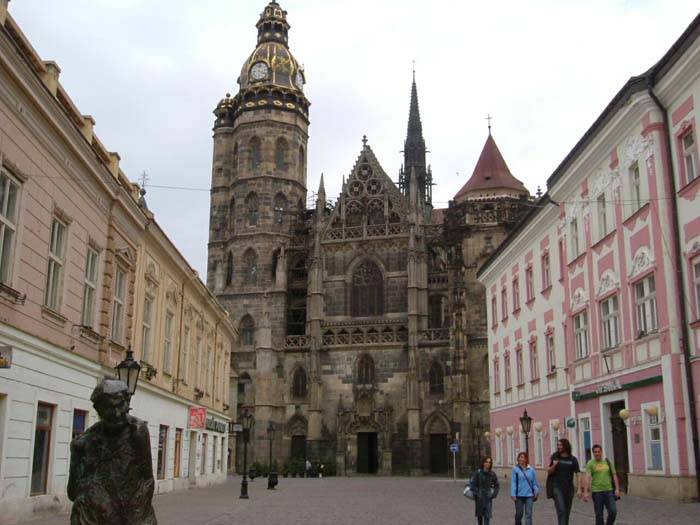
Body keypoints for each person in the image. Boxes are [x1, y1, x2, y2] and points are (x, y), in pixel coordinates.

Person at [68, 379, 157, 524]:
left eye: (120, 405)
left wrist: (133, 515)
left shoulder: (137, 431)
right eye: (109, 408)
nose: (116, 413)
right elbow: (73, 493)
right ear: (98, 410)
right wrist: (75, 458)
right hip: (99, 512)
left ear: (127, 403)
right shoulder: (90, 438)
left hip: (134, 512)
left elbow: (147, 479)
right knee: (83, 503)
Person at [547, 438, 583, 524]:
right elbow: (549, 471)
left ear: (566, 446)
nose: (558, 447)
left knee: (566, 512)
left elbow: (578, 474)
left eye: (560, 445)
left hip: (569, 488)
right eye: (558, 445)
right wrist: (554, 465)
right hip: (557, 487)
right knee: (561, 510)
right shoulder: (555, 457)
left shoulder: (573, 459)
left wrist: (579, 489)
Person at [584, 444, 620, 525]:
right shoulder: (590, 463)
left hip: (609, 491)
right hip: (597, 492)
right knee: (599, 514)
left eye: (598, 452)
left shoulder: (608, 462)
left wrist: (617, 489)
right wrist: (586, 492)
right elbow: (587, 477)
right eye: (595, 452)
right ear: (593, 453)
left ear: (601, 452)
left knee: (613, 511)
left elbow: (614, 475)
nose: (597, 453)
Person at [468, 456, 500, 525]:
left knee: (487, 516)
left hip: (488, 498)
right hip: (479, 497)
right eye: (486, 462)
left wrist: (494, 494)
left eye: (489, 462)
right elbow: (472, 485)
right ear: (483, 463)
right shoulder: (478, 472)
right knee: (480, 516)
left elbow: (497, 485)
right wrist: (477, 493)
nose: (488, 463)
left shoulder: (492, 474)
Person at [511, 451, 540, 525]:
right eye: (519, 457)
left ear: (526, 459)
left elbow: (534, 482)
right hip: (519, 495)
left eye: (522, 457)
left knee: (528, 514)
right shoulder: (515, 469)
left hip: (529, 495)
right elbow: (514, 482)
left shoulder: (531, 469)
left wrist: (536, 491)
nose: (520, 459)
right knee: (519, 514)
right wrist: (513, 494)